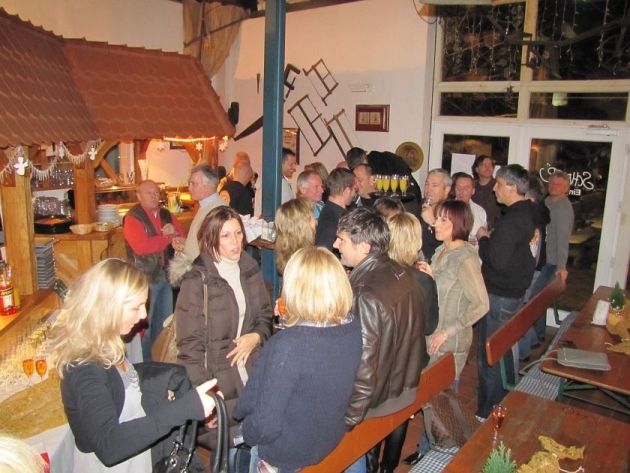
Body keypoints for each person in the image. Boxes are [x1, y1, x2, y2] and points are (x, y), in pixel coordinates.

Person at [50, 258, 219, 471]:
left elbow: (122, 392)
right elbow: (108, 446)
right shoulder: (84, 367)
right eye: (135, 307)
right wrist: (183, 409)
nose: (143, 316)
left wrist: (181, 402)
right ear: (107, 307)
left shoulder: (107, 343)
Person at [234, 247, 362, 472]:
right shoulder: (352, 327)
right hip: (328, 438)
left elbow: (265, 426)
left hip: (287, 456)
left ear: (295, 289)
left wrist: (243, 433)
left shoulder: (289, 345)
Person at [334, 207, 427, 473]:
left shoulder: (365, 294)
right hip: (404, 386)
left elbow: (365, 365)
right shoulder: (402, 272)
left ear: (364, 247)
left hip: (380, 399)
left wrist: (349, 420)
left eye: (342, 240)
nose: (335, 245)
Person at [173, 206, 273, 445]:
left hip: (252, 373)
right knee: (227, 450)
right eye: (226, 235)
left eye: (238, 233)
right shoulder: (197, 280)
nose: (236, 242)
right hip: (219, 380)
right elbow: (189, 347)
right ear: (211, 238)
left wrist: (256, 336)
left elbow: (265, 314)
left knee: (255, 445)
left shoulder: (249, 267)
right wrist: (206, 395)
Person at [476, 164, 535, 418]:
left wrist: (483, 238)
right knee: (503, 349)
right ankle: (499, 402)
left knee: (491, 355)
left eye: (498, 184)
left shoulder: (512, 220)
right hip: (513, 291)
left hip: (500, 295)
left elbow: (496, 260)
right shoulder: (527, 211)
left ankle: (488, 412)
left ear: (511, 187)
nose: (494, 189)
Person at [421, 200, 489, 379]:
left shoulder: (464, 259)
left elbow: (482, 305)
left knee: (437, 393)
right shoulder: (442, 250)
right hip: (434, 336)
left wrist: (446, 333)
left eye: (443, 220)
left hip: (449, 343)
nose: (435, 224)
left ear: (458, 224)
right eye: (437, 218)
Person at [123, 179, 185, 360]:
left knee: (164, 325)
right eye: (149, 193)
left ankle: (160, 362)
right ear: (139, 196)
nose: (154, 196)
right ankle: (144, 365)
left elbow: (182, 237)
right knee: (144, 328)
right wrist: (167, 238)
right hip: (145, 279)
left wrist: (175, 232)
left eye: (156, 192)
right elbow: (141, 247)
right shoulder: (133, 217)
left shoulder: (166, 214)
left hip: (166, 276)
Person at [180, 165, 226, 261]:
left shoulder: (218, 210)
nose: (189, 188)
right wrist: (187, 243)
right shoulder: (205, 205)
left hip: (200, 268)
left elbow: (213, 251)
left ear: (207, 186)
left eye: (194, 184)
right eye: (189, 184)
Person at [315, 168, 356, 253]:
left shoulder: (331, 212)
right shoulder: (331, 219)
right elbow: (324, 253)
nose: (354, 194)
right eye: (354, 190)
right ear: (347, 191)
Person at [274, 198, 316, 275]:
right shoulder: (308, 263)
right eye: (312, 217)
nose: (315, 221)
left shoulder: (288, 258)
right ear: (302, 225)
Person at [420, 168, 452, 262]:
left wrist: (432, 222)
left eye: (435, 185)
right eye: (427, 184)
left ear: (447, 190)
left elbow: (451, 246)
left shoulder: (453, 212)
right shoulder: (417, 206)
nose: (428, 190)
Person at [453, 172, 487, 241]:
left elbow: (483, 236)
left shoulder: (480, 211)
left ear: (473, 191)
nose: (461, 191)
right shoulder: (446, 210)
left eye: (465, 188)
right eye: (458, 187)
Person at [472, 155, 501, 229]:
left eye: (490, 165)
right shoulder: (472, 186)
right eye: (484, 165)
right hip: (474, 227)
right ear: (476, 169)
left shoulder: (498, 186)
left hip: (494, 228)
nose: (488, 168)